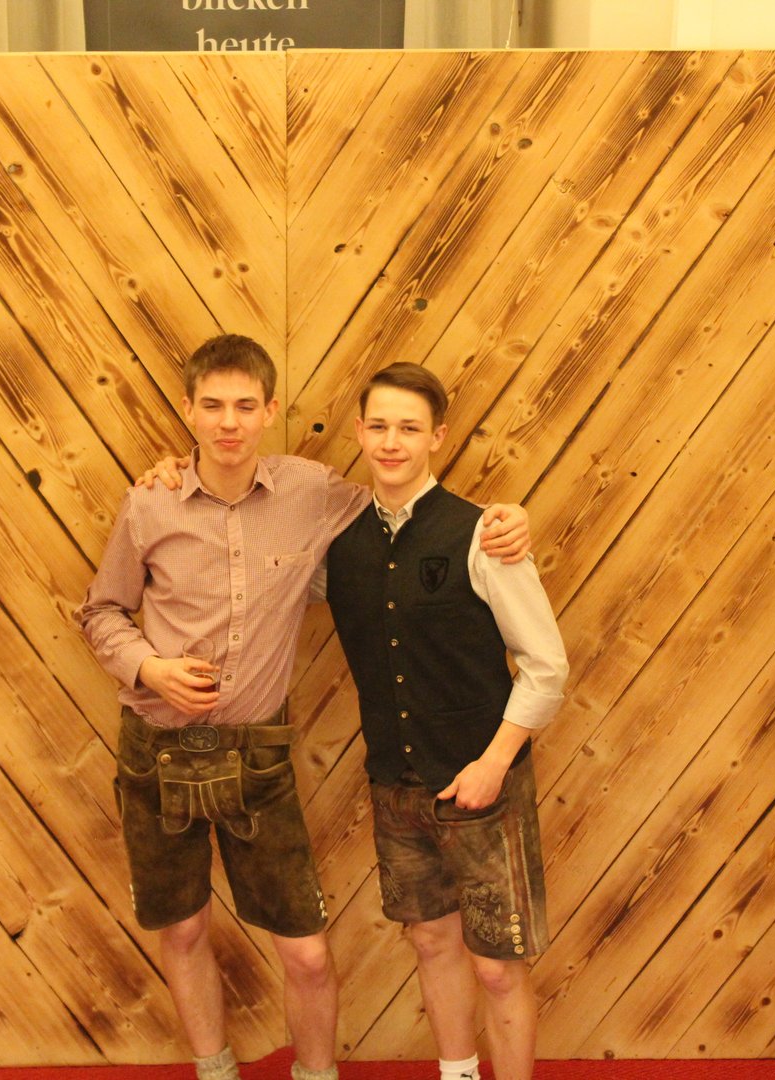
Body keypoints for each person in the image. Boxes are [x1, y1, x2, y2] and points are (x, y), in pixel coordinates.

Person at [75, 335, 530, 1080]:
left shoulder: (312, 491)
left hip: (258, 757)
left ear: (269, 410)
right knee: (183, 932)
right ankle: (215, 1071)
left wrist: (503, 519)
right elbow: (100, 611)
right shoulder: (148, 502)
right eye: (212, 406)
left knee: (310, 955)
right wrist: (149, 667)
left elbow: (406, 512)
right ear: (187, 410)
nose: (228, 423)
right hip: (155, 751)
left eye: (244, 406)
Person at [323, 363, 567, 1080]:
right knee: (431, 943)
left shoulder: (481, 534)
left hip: (484, 785)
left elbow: (546, 666)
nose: (391, 442)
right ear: (358, 431)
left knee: (497, 965)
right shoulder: (339, 542)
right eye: (378, 426)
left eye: (409, 427)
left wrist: (494, 763)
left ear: (438, 436)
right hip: (395, 788)